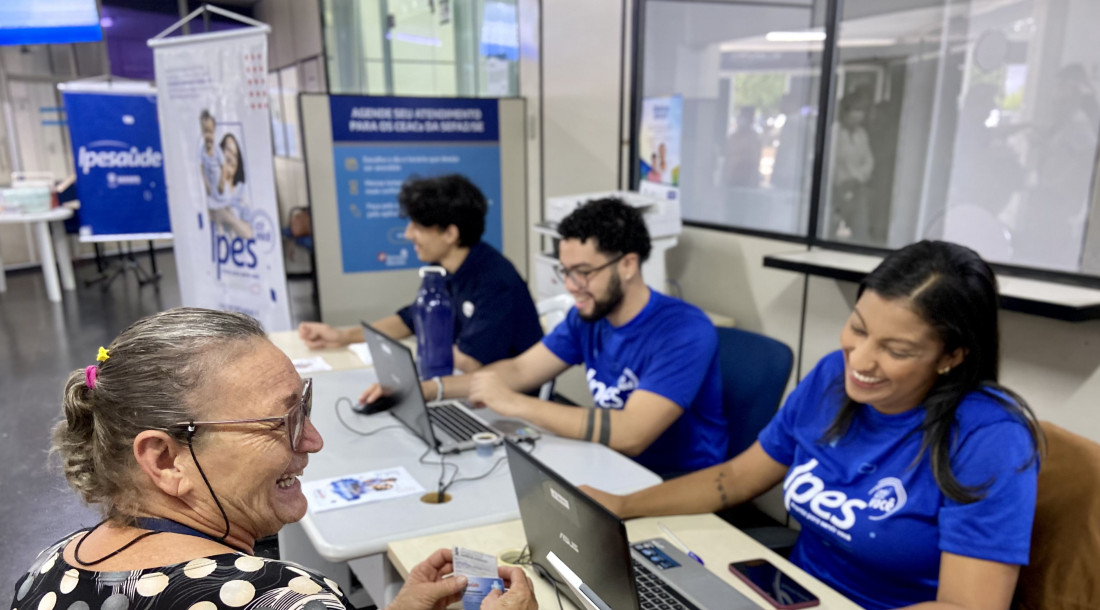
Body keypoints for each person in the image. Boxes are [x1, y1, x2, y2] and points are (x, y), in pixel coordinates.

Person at [581, 240, 1044, 610]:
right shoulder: (831, 379)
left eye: (896, 351)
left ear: (952, 356)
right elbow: (737, 477)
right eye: (858, 329)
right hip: (789, 592)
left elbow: (968, 605)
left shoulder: (990, 437)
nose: (860, 361)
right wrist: (623, 506)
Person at [10, 308, 535, 610]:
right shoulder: (281, 598)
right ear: (165, 459)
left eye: (303, 407)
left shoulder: (48, 569)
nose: (312, 441)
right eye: (282, 421)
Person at [365, 197, 728, 478]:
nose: (572, 287)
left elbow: (632, 432)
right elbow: (521, 370)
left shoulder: (682, 330)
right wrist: (426, 390)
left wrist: (516, 404)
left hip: (669, 482)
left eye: (583, 272)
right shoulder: (588, 317)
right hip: (607, 463)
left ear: (629, 264)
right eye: (565, 272)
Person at [299, 174, 542, 375]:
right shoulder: (448, 269)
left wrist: (417, 352)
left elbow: (471, 360)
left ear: (450, 234)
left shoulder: (495, 281)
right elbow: (413, 319)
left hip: (505, 401)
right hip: (465, 383)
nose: (408, 234)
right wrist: (342, 336)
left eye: (417, 226)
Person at [830, 87, 875, 242]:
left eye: (861, 110)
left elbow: (868, 160)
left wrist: (858, 177)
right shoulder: (835, 132)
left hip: (858, 185)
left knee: (859, 223)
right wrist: (842, 180)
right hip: (837, 186)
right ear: (846, 112)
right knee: (833, 223)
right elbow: (833, 161)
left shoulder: (861, 134)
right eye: (855, 110)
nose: (858, 115)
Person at [209, 132, 253, 239]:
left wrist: (229, 218)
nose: (231, 157)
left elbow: (249, 233)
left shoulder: (242, 192)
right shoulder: (211, 188)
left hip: (238, 250)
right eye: (228, 150)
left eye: (235, 155)